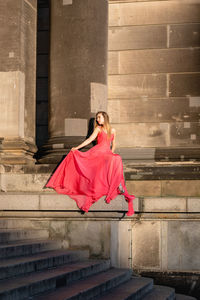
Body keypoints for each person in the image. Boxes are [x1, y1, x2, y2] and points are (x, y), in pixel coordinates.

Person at [45, 111, 134, 216]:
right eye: (96, 118)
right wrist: (77, 148)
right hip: (98, 152)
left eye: (99, 117)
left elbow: (113, 144)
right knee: (116, 159)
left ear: (105, 118)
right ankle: (118, 185)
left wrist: (111, 152)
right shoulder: (98, 129)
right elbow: (90, 140)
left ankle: (117, 185)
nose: (97, 120)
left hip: (107, 153)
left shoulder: (113, 130)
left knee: (117, 158)